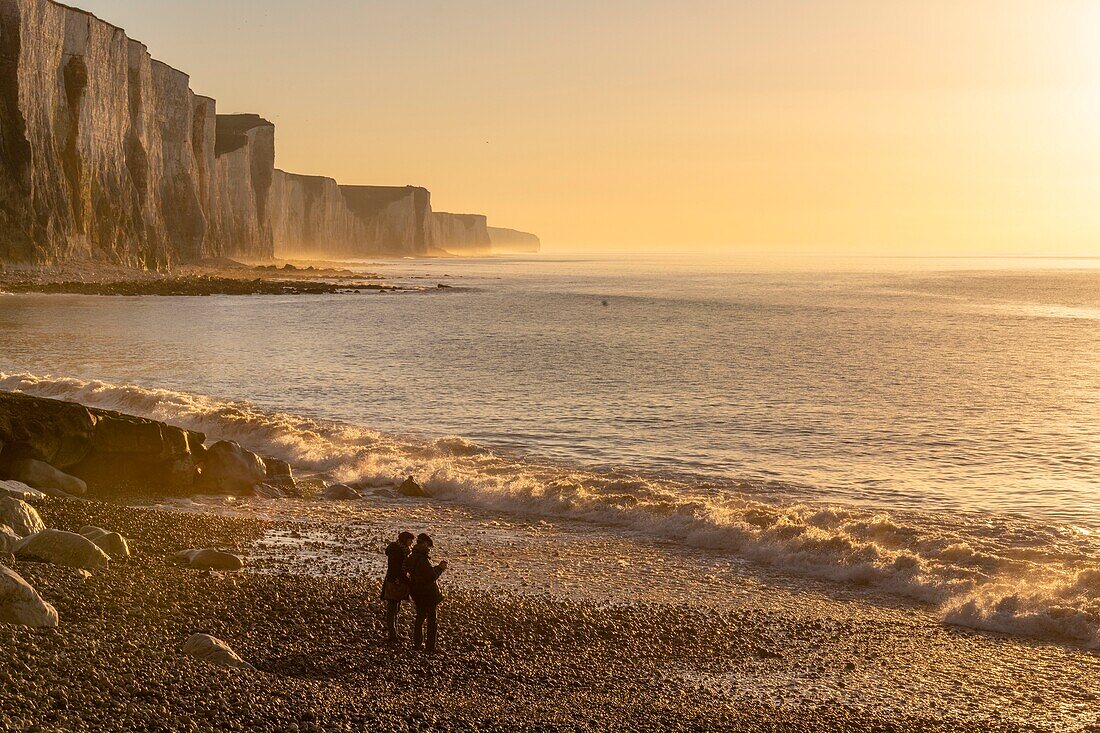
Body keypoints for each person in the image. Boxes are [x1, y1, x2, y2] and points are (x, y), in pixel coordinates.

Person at [407, 532, 447, 653]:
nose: (429, 549)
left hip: (416, 591)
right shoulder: (423, 559)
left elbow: (421, 573)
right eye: (428, 546)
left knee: (419, 617)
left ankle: (417, 644)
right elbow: (430, 577)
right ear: (424, 544)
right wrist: (440, 568)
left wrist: (434, 568)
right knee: (431, 620)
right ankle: (430, 646)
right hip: (427, 593)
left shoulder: (412, 556)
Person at [381, 531, 415, 643]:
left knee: (395, 608)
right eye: (410, 540)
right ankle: (392, 635)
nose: (411, 542)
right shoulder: (397, 551)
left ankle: (394, 633)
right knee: (392, 609)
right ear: (405, 540)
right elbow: (396, 569)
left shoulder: (401, 550)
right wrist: (406, 580)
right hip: (394, 582)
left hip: (396, 580)